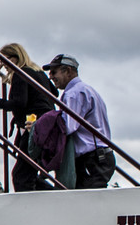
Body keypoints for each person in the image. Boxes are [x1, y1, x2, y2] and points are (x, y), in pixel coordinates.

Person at [0, 42, 58, 190]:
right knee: (28, 173)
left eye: (6, 59)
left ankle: (37, 206)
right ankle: (55, 196)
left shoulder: (21, 73)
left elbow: (19, 103)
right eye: (0, 61)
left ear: (17, 57)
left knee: (21, 176)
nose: (3, 64)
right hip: (47, 126)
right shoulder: (38, 73)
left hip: (33, 127)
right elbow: (54, 93)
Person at [46, 54, 113, 189]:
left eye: (54, 72)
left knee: (85, 202)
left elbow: (67, 126)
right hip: (100, 155)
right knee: (90, 200)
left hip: (91, 158)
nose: (50, 76)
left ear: (68, 71)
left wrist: (42, 126)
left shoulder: (73, 94)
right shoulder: (87, 90)